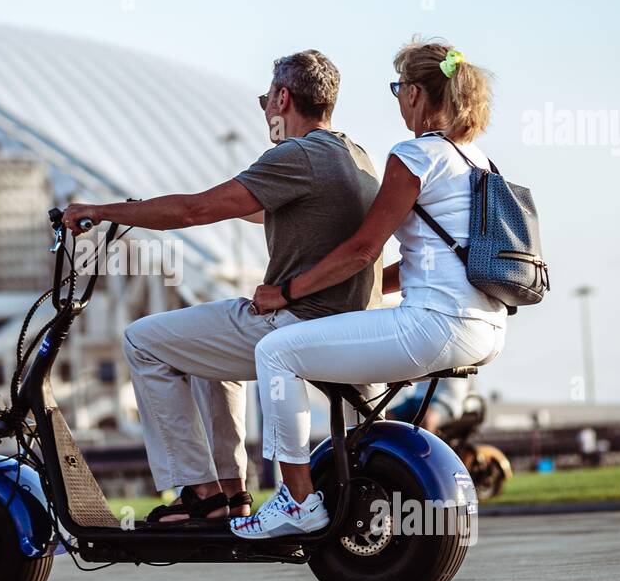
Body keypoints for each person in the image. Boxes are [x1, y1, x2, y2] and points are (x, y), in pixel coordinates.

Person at [62, 50, 381, 524]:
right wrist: (170, 209)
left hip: (300, 322)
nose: (265, 111)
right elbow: (247, 208)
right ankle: (232, 494)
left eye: (265, 101)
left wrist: (106, 211)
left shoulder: (297, 155)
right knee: (207, 352)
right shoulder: (354, 154)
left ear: (282, 97)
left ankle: (201, 492)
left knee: (143, 341)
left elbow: (194, 211)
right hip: (345, 326)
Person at [236, 38, 508, 539]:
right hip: (486, 327)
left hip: (434, 325)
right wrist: (370, 286)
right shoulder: (478, 161)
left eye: (399, 87)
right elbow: (423, 260)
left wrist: (288, 291)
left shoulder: (414, 155)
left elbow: (363, 249)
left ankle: (296, 501)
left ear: (420, 94)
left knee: (275, 351)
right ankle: (358, 475)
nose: (398, 97)